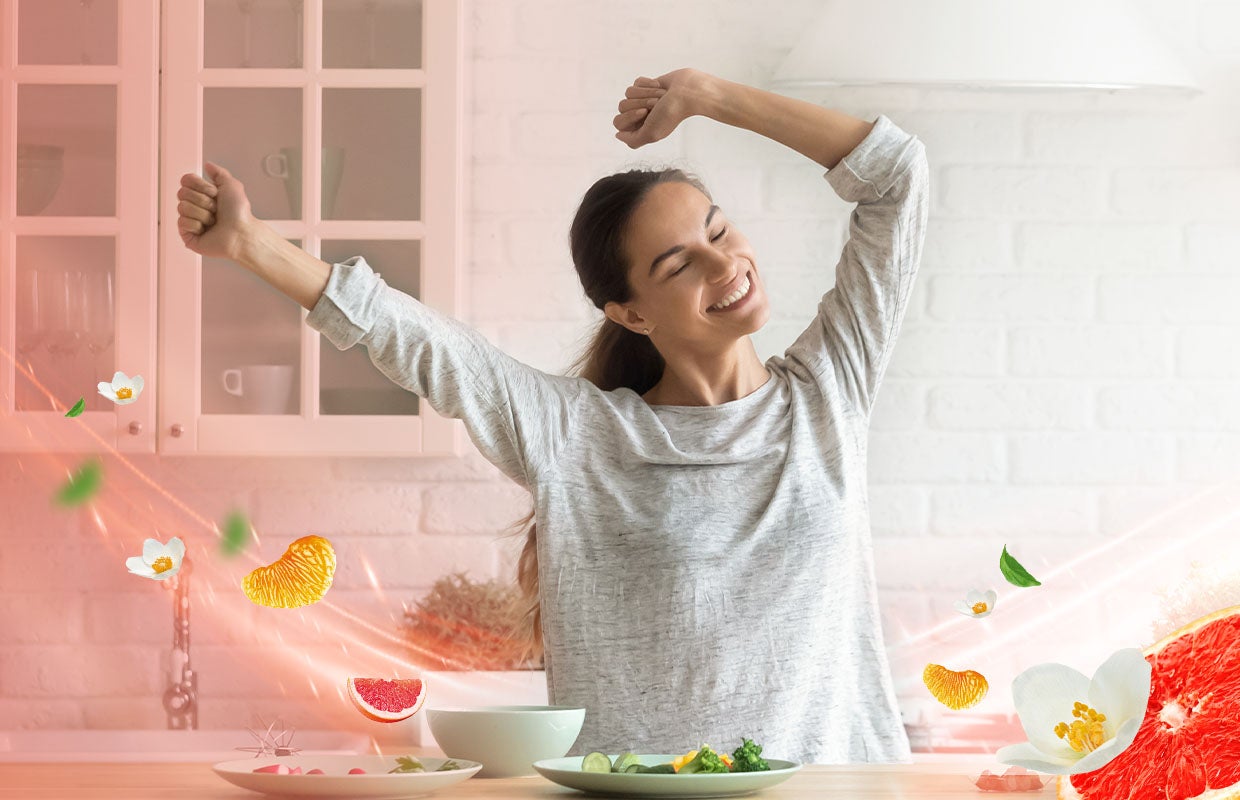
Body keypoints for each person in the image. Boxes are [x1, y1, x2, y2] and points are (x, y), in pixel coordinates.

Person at [177, 67, 929, 765]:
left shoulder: (829, 393)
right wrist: (249, 243)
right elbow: (416, 343)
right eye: (678, 264)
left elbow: (897, 178)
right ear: (629, 312)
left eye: (718, 230)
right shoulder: (579, 437)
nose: (723, 264)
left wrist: (709, 97)